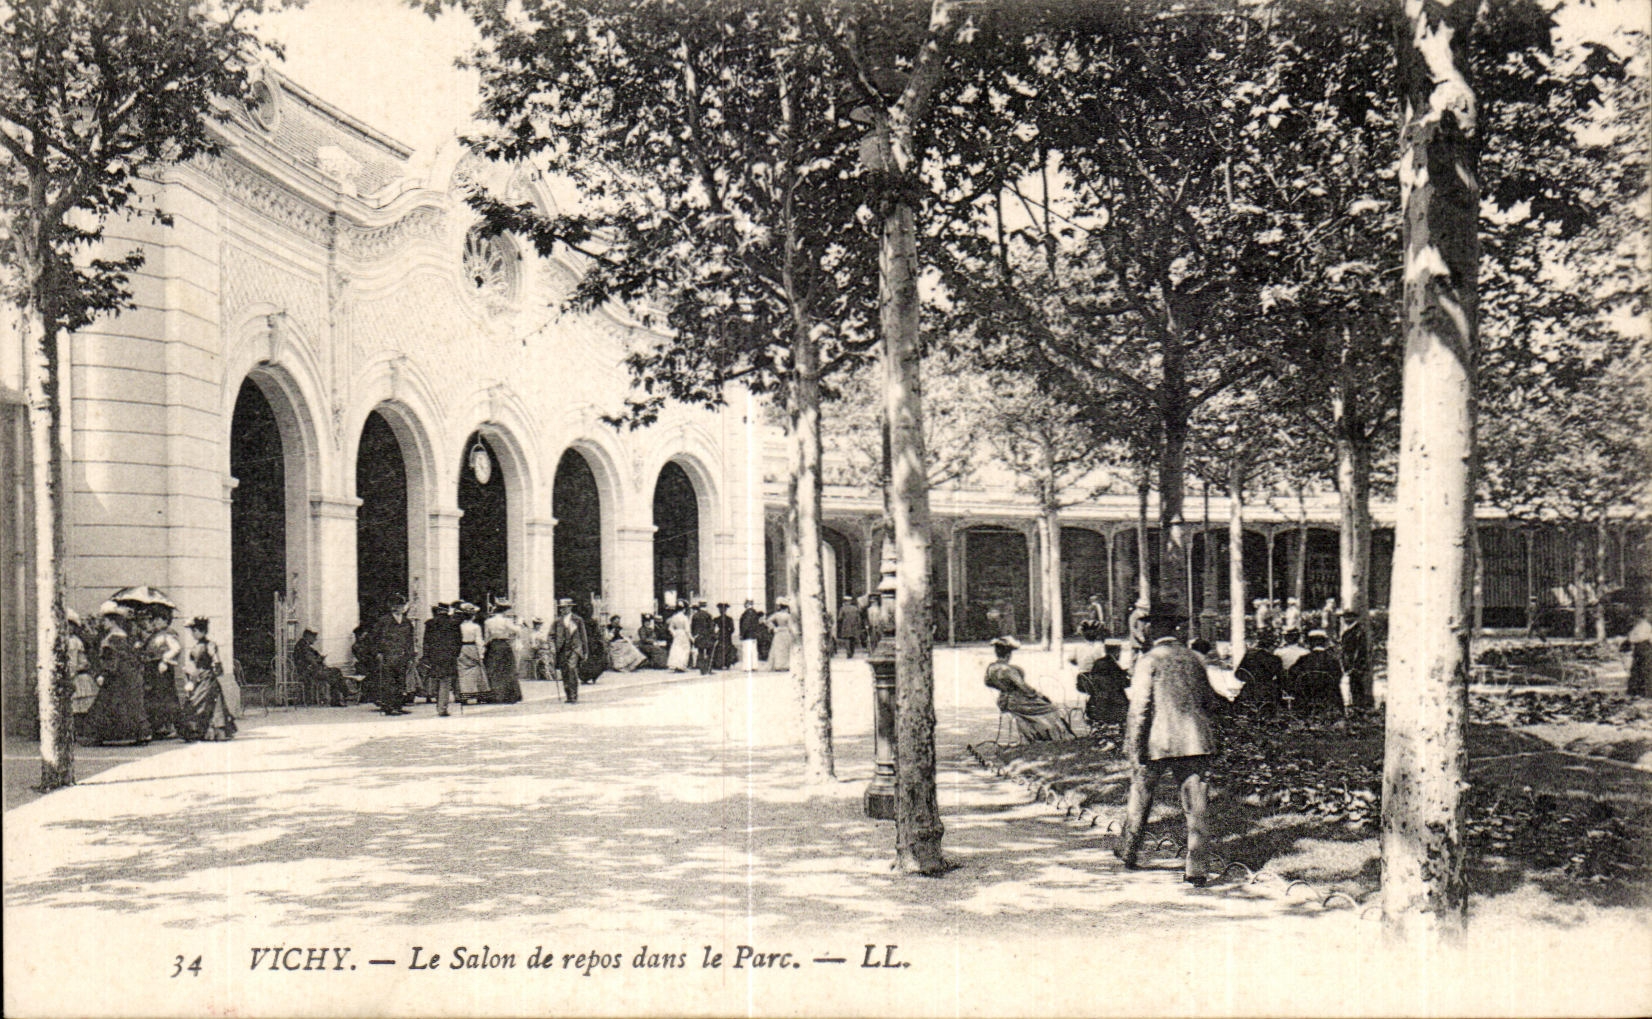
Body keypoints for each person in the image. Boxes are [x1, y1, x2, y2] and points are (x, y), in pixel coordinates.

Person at [1116, 603, 1221, 887]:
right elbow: (1210, 701)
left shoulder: (1149, 660)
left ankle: (1129, 850)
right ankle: (1197, 869)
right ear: (1175, 628)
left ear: (1154, 628)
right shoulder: (1194, 658)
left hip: (1158, 741)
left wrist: (1134, 745)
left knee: (1141, 793)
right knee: (1196, 805)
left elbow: (1140, 708)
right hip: (1195, 740)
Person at [81, 602, 150, 745]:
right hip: (124, 674)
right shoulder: (121, 636)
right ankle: (138, 734)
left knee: (111, 703)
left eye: (105, 620)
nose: (103, 623)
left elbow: (112, 659)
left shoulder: (115, 637)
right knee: (124, 703)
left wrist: (104, 673)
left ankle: (100, 736)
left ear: (112, 622)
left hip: (117, 675)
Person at [983, 636, 1073, 742]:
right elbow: (1024, 687)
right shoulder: (1008, 669)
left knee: (1040, 706)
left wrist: (1003, 688)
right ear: (1009, 653)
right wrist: (1039, 695)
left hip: (1003, 701)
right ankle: (1052, 736)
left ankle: (1037, 734)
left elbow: (987, 682)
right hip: (1016, 702)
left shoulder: (991, 667)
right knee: (1050, 707)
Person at [178, 618, 236, 741]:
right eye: (192, 631)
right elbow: (194, 663)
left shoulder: (210, 645)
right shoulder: (195, 646)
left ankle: (215, 732)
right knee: (195, 703)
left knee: (207, 703)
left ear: (203, 631)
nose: (193, 634)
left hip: (208, 678)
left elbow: (216, 659)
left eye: (195, 631)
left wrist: (216, 667)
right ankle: (198, 732)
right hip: (198, 678)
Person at [137, 606, 184, 737]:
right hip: (152, 669)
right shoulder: (154, 635)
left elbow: (176, 649)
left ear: (165, 620)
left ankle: (177, 727)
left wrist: (165, 660)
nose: (154, 622)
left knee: (167, 697)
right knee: (154, 697)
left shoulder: (168, 633)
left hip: (162, 668)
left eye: (158, 620)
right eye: (153, 620)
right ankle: (159, 726)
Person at [371, 597, 415, 715]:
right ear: (391, 607)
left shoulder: (406, 622)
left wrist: (410, 656)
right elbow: (375, 638)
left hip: (402, 656)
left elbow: (410, 640)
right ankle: (389, 707)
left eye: (401, 605)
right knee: (389, 682)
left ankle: (398, 706)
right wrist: (378, 652)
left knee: (401, 681)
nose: (398, 608)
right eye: (395, 605)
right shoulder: (383, 621)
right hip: (388, 655)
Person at [1076, 642, 1131, 737]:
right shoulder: (1113, 665)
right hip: (1112, 704)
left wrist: (1123, 672)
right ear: (1116, 652)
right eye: (1119, 652)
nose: (1120, 655)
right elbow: (1122, 683)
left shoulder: (1099, 663)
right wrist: (1129, 677)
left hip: (1095, 702)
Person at [1287, 629, 1344, 717]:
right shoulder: (1332, 660)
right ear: (1324, 643)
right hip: (1328, 698)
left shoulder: (1303, 659)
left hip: (1306, 698)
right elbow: (1338, 678)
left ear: (1310, 643)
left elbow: (1292, 674)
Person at [1232, 630, 1287, 716]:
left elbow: (1238, 673)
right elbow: (1281, 678)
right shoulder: (1274, 659)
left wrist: (1250, 679)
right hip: (1266, 691)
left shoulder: (1249, 655)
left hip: (1248, 691)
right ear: (1272, 645)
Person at [292, 628, 352, 707]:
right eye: (314, 637)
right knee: (335, 673)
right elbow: (311, 660)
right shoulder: (303, 646)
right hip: (308, 673)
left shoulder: (304, 645)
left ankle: (341, 696)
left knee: (335, 674)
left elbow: (313, 657)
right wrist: (319, 659)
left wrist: (319, 659)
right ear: (308, 636)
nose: (315, 639)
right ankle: (344, 695)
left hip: (311, 671)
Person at [423, 603, 462, 716]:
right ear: (447, 611)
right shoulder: (453, 623)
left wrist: (426, 656)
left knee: (435, 679)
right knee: (446, 681)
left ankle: (436, 700)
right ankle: (442, 707)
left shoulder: (430, 623)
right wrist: (455, 654)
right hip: (449, 656)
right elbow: (458, 641)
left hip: (434, 655)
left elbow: (426, 641)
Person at [483, 600, 523, 703]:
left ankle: (494, 694)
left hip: (493, 645)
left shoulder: (488, 621)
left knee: (493, 669)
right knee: (507, 670)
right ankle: (507, 695)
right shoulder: (506, 621)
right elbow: (517, 630)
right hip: (504, 644)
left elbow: (487, 637)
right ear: (504, 611)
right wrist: (519, 623)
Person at [553, 598, 590, 702]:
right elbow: (551, 635)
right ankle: (568, 695)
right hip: (562, 649)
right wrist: (552, 646)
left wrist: (585, 651)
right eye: (561, 608)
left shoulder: (578, 620)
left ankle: (573, 695)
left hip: (575, 649)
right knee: (565, 671)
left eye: (564, 608)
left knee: (572, 669)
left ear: (570, 608)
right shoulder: (557, 621)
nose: (562, 610)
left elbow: (583, 636)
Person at [1337, 608, 1371, 709]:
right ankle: (1355, 707)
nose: (1346, 619)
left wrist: (1354, 666)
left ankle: (1358, 708)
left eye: (1349, 617)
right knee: (1352, 688)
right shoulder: (1348, 631)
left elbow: (1360, 650)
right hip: (1349, 665)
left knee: (1357, 688)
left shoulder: (1358, 631)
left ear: (1354, 617)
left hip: (1355, 665)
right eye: (1345, 617)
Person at [455, 603, 489, 704]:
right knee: (477, 670)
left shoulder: (459, 626)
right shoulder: (475, 627)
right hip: (472, 648)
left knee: (463, 672)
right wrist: (481, 653)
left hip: (462, 648)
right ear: (473, 616)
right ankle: (479, 693)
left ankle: (464, 694)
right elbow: (479, 640)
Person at [1624, 608, 1651, 697]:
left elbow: (1633, 638)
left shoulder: (1645, 626)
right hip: (1640, 649)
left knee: (1644, 669)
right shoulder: (1639, 626)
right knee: (1638, 669)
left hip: (1644, 649)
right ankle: (1639, 691)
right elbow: (1631, 638)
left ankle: (1644, 692)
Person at [766, 601, 795, 672]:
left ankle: (778, 665)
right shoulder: (788, 616)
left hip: (778, 633)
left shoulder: (777, 614)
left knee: (778, 649)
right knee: (785, 649)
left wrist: (773, 628)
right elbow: (790, 626)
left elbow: (768, 621)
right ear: (786, 608)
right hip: (785, 633)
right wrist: (792, 633)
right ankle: (785, 665)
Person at [691, 601, 716, 675]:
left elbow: (692, 627)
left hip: (699, 637)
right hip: (707, 637)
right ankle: (709, 669)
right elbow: (711, 627)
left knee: (700, 653)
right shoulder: (708, 615)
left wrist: (694, 635)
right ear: (706, 606)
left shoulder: (695, 615)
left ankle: (702, 670)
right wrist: (714, 636)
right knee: (709, 653)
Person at [666, 603, 692, 672]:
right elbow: (687, 630)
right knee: (684, 649)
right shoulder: (685, 618)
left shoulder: (674, 617)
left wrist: (674, 633)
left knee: (676, 649)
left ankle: (675, 665)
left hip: (677, 634)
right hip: (683, 634)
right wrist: (691, 638)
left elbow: (670, 628)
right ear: (684, 609)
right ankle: (682, 665)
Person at [738, 600, 763, 671]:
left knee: (747, 651)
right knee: (753, 651)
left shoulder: (747, 613)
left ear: (747, 604)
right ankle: (754, 666)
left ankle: (747, 667)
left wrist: (742, 634)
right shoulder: (754, 613)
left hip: (747, 635)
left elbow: (745, 625)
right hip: (754, 635)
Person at [712, 602, 737, 670]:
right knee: (727, 649)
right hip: (727, 636)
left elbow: (713, 628)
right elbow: (732, 629)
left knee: (720, 649)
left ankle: (719, 664)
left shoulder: (716, 619)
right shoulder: (729, 619)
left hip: (720, 636)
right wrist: (728, 632)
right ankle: (726, 663)